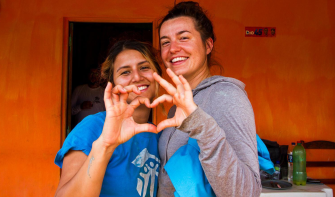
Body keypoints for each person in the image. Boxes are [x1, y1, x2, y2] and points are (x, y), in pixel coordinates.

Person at [151, 1, 261, 196]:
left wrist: (200, 123)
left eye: (183, 38)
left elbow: (246, 192)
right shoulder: (177, 106)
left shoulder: (226, 96)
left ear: (208, 45)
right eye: (165, 42)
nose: (173, 48)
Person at [54, 40, 162, 197]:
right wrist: (105, 145)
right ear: (111, 85)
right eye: (125, 72)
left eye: (144, 67)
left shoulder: (159, 136)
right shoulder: (93, 128)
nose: (137, 77)